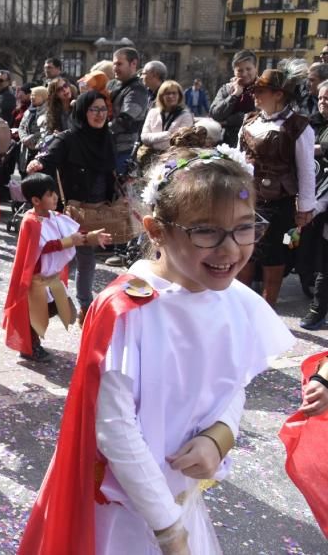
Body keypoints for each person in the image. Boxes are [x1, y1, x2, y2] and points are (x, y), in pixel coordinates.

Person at [19, 145, 294, 555]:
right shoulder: (129, 311)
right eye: (205, 231)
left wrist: (220, 435)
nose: (231, 249)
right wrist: (167, 528)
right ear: (156, 230)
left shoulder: (237, 300)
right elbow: (116, 430)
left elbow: (232, 382)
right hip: (125, 519)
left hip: (183, 507)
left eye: (244, 227)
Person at [27, 91, 118, 325]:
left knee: (85, 258)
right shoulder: (69, 138)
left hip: (100, 206)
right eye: (94, 109)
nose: (99, 115)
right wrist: (38, 163)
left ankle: (75, 305)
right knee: (84, 258)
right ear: (82, 111)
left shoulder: (107, 137)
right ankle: (82, 306)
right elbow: (49, 158)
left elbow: (110, 168)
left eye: (103, 110)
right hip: (76, 208)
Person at [4, 174, 109, 363]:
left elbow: (75, 233)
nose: (55, 198)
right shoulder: (30, 221)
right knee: (36, 313)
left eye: (55, 194)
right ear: (36, 200)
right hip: (36, 278)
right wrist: (69, 242)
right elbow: (41, 247)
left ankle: (31, 341)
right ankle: (30, 347)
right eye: (50, 195)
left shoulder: (56, 216)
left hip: (51, 277)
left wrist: (92, 237)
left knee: (55, 308)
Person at [237, 69, 316, 306]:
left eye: (260, 91)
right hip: (247, 199)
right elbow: (237, 161)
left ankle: (267, 306)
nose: (255, 96)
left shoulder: (298, 126)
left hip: (280, 204)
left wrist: (305, 208)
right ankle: (241, 305)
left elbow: (306, 170)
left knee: (275, 254)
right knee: (245, 251)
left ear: (278, 94)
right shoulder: (249, 120)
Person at [300, 80, 328, 329]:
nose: (323, 102)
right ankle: (318, 309)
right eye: (320, 97)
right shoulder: (313, 122)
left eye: (327, 98)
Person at [110, 47, 151, 175]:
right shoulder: (115, 85)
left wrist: (99, 131)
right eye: (114, 64)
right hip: (111, 149)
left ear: (133, 64)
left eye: (119, 64)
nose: (115, 68)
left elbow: (125, 120)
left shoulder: (136, 90)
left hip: (124, 151)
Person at [210, 49, 258, 146]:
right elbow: (215, 114)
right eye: (240, 70)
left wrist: (227, 121)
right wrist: (234, 95)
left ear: (255, 68)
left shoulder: (264, 89)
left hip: (255, 142)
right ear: (234, 71)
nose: (244, 74)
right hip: (228, 143)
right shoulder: (226, 89)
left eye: (248, 69)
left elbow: (259, 116)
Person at [140, 80, 193, 155]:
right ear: (161, 96)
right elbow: (144, 137)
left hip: (174, 157)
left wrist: (153, 143)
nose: (171, 96)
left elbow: (181, 142)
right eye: (167, 93)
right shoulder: (152, 112)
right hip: (150, 157)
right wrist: (167, 134)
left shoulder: (186, 115)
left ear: (179, 96)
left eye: (174, 93)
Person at [18, 86, 48, 170]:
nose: (31, 97)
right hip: (26, 149)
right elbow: (22, 126)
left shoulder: (49, 112)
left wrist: (33, 137)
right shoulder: (29, 111)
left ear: (43, 97)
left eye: (34, 95)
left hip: (40, 150)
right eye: (31, 95)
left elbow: (46, 131)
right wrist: (24, 138)